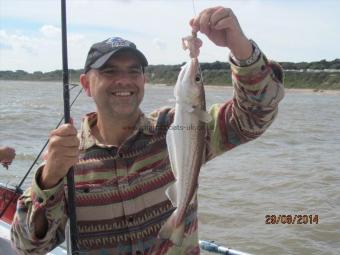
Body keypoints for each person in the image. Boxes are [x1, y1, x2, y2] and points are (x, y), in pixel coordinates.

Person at [11, 6, 284, 255]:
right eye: (109, 71)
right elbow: (26, 247)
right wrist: (48, 180)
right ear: (85, 84)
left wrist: (239, 47)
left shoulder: (182, 125)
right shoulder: (65, 157)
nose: (124, 80)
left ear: (144, 79)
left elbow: (255, 115)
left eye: (134, 71)